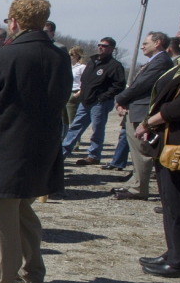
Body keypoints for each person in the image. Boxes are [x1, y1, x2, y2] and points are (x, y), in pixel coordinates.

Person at [0, 0, 72, 283]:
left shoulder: (3, 56)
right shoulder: (60, 56)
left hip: (3, 145)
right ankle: (34, 271)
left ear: (13, 22)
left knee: (2, 217)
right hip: (42, 144)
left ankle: (3, 279)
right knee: (23, 211)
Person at [134, 17, 180, 277]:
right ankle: (174, 251)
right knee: (170, 201)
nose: (178, 33)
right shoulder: (179, 64)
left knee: (177, 202)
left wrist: (151, 120)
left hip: (178, 143)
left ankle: (177, 261)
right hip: (168, 141)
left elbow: (178, 105)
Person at [109, 32, 174, 196]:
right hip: (136, 107)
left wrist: (121, 98)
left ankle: (139, 188)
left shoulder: (161, 61)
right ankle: (135, 182)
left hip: (143, 109)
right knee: (135, 149)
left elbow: (142, 85)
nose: (142, 46)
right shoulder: (155, 61)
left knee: (141, 150)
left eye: (146, 43)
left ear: (157, 43)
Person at [61, 37, 126, 165]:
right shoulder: (92, 61)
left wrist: (104, 97)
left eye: (105, 46)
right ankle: (63, 151)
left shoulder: (114, 66)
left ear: (112, 49)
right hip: (85, 100)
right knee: (75, 126)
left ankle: (94, 155)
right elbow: (85, 80)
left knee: (97, 129)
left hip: (100, 102)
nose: (101, 47)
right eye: (99, 45)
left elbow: (119, 85)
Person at [66, 46, 86, 126]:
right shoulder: (68, 66)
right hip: (66, 92)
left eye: (72, 54)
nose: (70, 56)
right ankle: (64, 138)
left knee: (73, 121)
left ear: (78, 55)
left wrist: (78, 93)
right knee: (64, 121)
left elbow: (85, 82)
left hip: (75, 93)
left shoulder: (82, 67)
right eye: (69, 54)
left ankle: (75, 138)